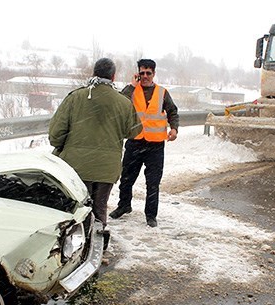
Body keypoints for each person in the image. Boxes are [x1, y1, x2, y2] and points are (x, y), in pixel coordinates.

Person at [48, 58, 141, 247]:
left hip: (77, 166)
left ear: (93, 73)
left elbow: (55, 134)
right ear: (113, 76)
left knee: (78, 208)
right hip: (107, 168)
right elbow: (134, 131)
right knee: (100, 207)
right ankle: (97, 247)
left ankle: (74, 248)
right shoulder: (122, 103)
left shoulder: (75, 98)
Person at [109, 59, 179, 228]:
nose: (145, 76)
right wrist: (132, 85)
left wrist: (174, 129)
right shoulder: (132, 91)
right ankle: (124, 205)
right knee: (126, 178)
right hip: (135, 142)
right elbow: (119, 102)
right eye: (142, 73)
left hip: (155, 146)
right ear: (138, 74)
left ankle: (151, 215)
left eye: (148, 73)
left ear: (154, 74)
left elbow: (173, 112)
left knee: (153, 182)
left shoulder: (162, 92)